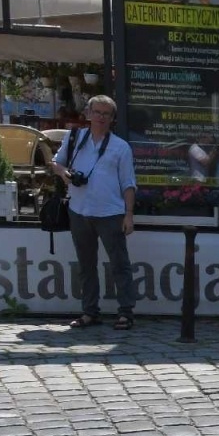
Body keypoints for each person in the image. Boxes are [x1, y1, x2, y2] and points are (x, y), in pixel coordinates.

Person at [51, 95, 137, 331]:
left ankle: (126, 312)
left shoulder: (121, 147)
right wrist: (64, 173)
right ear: (88, 114)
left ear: (112, 118)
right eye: (97, 112)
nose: (101, 117)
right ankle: (90, 312)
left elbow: (128, 183)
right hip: (79, 211)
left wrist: (129, 214)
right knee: (86, 265)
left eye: (106, 114)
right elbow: (55, 163)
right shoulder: (74, 138)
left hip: (111, 212)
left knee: (120, 264)